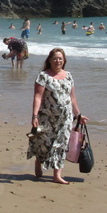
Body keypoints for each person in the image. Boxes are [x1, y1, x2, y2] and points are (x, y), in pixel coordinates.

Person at [28, 48, 86, 184]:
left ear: (64, 60)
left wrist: (78, 115)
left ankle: (57, 175)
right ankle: (39, 160)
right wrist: (34, 116)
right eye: (55, 58)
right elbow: (38, 97)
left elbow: (72, 98)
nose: (58, 61)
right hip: (46, 117)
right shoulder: (43, 76)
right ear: (49, 60)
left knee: (62, 144)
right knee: (44, 143)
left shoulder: (69, 76)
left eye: (60, 58)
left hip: (65, 118)